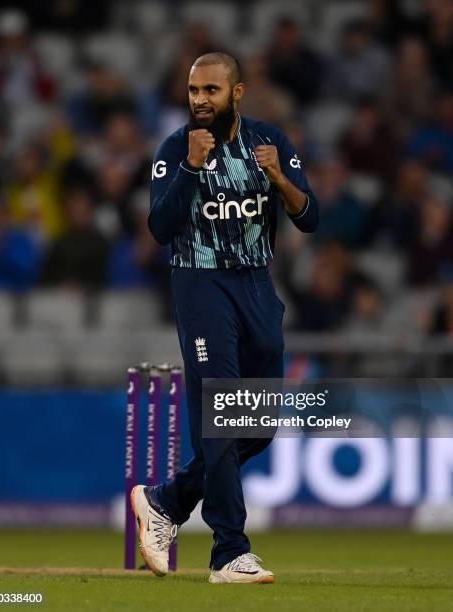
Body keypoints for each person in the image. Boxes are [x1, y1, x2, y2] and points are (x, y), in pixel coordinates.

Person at [131, 52, 319, 584]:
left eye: (211, 91)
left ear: (237, 93)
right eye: (193, 91)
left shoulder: (270, 142)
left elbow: (311, 217)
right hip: (200, 285)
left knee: (257, 427)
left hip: (258, 286)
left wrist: (280, 179)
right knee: (223, 416)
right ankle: (229, 551)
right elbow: (160, 228)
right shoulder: (176, 149)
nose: (199, 101)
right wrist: (191, 167)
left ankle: (166, 502)